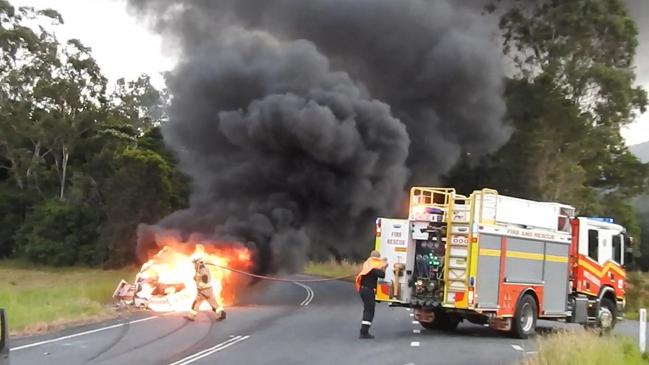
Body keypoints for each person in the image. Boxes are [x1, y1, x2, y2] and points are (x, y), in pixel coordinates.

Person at [355, 250, 388, 339]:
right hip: (368, 290)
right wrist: (384, 266)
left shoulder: (368, 264)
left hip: (363, 290)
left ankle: (364, 330)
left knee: (367, 309)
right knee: (369, 311)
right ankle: (364, 332)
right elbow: (382, 275)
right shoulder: (373, 267)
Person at [185, 256, 227, 322]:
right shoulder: (199, 267)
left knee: (213, 304)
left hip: (205, 290)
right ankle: (191, 316)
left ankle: (222, 313)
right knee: (196, 303)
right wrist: (196, 278)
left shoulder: (201, 267)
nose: (193, 264)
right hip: (202, 291)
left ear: (197, 261)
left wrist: (202, 284)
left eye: (194, 262)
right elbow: (200, 276)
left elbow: (205, 277)